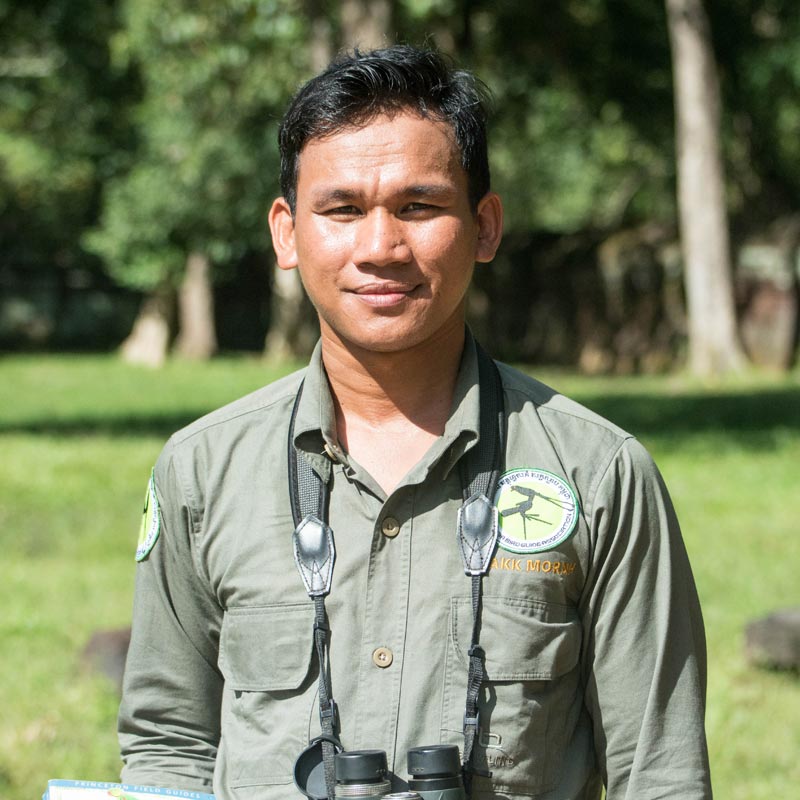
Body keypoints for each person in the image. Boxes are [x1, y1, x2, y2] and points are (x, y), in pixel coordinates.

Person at [119, 45, 712, 800]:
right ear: (287, 233)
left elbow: (659, 772)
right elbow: (168, 746)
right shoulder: (203, 471)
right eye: (341, 210)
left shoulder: (598, 474)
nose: (380, 248)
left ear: (485, 226)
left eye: (419, 207)